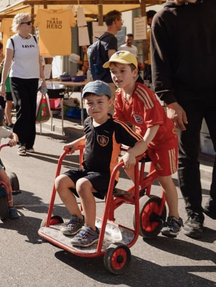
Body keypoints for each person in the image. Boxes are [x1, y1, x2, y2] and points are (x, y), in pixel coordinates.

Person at [152, 0, 216, 237]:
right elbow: (160, 63)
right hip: (184, 98)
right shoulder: (164, 17)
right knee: (188, 156)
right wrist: (169, 101)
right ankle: (193, 211)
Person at [55, 81, 147, 247]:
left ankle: (91, 229)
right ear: (84, 104)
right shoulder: (89, 122)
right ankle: (77, 218)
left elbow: (141, 143)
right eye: (90, 103)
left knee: (82, 185)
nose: (95, 107)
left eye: (100, 102)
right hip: (87, 171)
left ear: (110, 103)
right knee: (60, 181)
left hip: (106, 175)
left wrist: (130, 154)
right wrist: (76, 143)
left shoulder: (116, 126)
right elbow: (89, 139)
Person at [105, 51, 183, 237]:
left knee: (165, 179)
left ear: (134, 73)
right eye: (113, 71)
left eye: (122, 71)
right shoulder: (119, 95)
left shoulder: (144, 94)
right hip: (143, 136)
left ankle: (174, 217)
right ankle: (140, 188)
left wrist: (138, 148)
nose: (116, 76)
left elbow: (153, 128)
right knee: (125, 161)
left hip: (163, 139)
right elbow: (119, 122)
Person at [0, 13, 46, 156]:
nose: (31, 25)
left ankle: (30, 144)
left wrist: (43, 79)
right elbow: (7, 63)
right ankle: (21, 142)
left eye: (31, 22)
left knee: (31, 111)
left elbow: (39, 61)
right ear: (19, 25)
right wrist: (2, 83)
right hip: (17, 79)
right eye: (28, 22)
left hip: (33, 79)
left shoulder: (35, 39)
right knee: (23, 108)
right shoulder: (13, 41)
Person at [89, 10, 122, 87]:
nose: (121, 23)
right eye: (120, 20)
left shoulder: (102, 38)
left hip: (100, 79)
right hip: (109, 81)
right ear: (115, 21)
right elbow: (112, 59)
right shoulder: (111, 39)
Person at [142, 10, 156, 83]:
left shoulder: (149, 32)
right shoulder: (162, 29)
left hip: (151, 61)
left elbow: (145, 47)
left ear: (150, 19)